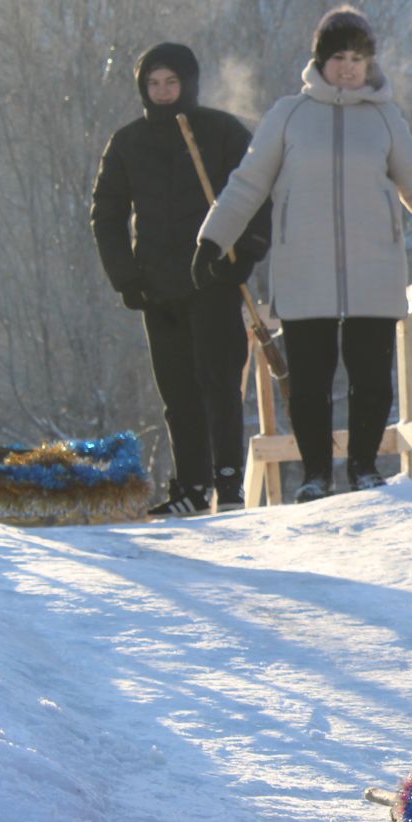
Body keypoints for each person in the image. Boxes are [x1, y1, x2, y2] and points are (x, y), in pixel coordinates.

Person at [195, 7, 412, 502]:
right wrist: (212, 239)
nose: (348, 68)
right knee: (310, 381)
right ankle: (316, 473)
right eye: (338, 57)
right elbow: (248, 183)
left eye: (358, 58)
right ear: (320, 60)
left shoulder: (386, 118)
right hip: (304, 268)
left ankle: (363, 468)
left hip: (375, 269)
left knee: (372, 379)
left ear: (370, 63)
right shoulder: (289, 114)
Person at [90, 44, 268, 515]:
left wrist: (244, 255)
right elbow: (106, 214)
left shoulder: (221, 131)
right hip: (157, 287)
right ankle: (190, 487)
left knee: (220, 382)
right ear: (143, 88)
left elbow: (259, 193)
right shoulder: (128, 142)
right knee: (177, 391)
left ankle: (228, 484)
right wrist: (125, 277)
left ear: (189, 83)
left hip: (213, 279)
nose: (163, 91)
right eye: (154, 83)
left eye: (171, 82)